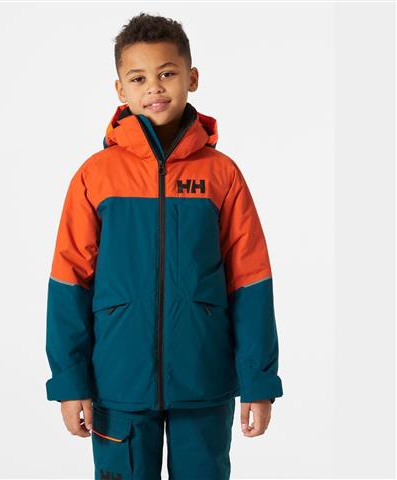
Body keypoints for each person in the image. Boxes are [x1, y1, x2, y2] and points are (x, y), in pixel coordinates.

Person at [45, 12, 284, 480]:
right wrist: (70, 381)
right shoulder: (96, 176)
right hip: (118, 380)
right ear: (121, 90)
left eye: (167, 73)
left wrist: (259, 380)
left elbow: (250, 279)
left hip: (204, 376)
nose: (154, 87)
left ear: (192, 78)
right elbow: (70, 280)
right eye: (138, 78)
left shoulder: (221, 175)